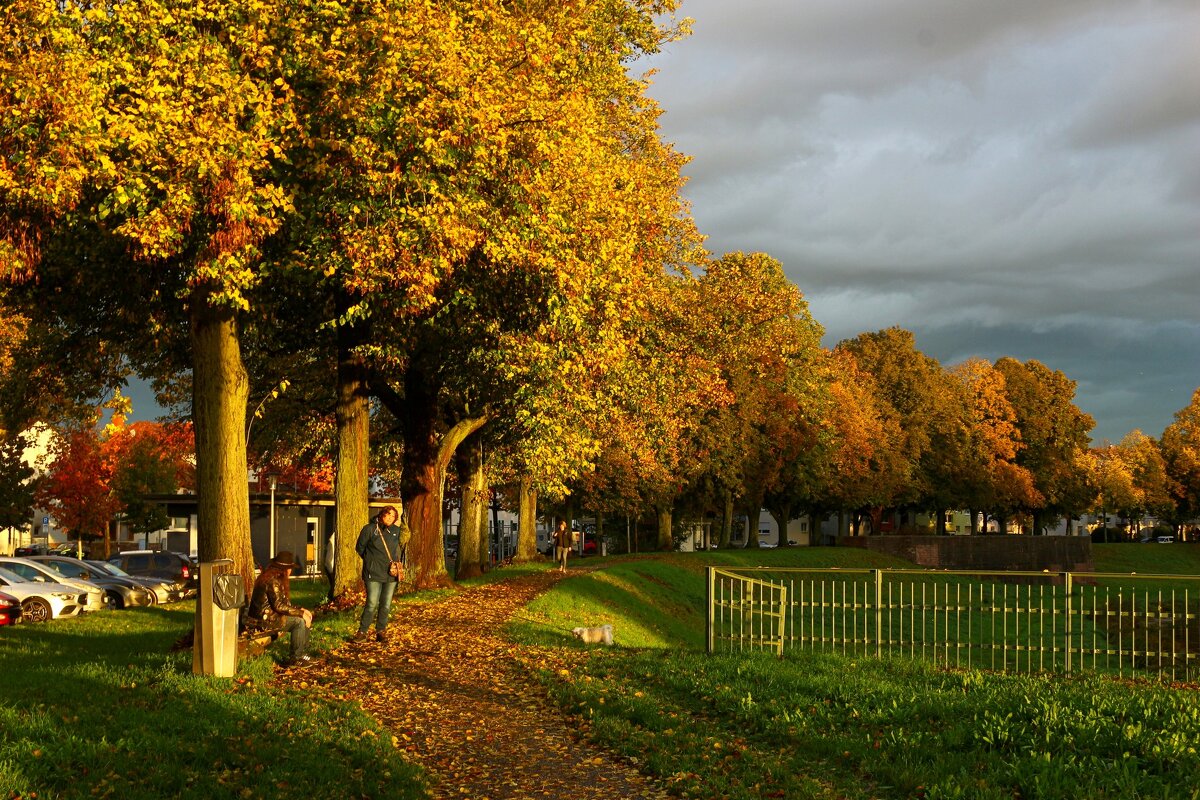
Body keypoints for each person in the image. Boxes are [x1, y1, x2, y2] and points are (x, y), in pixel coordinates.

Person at [353, 505, 410, 643]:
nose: (390, 518)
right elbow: (360, 547)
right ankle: (362, 632)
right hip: (373, 573)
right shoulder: (370, 529)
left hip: (391, 574)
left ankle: (381, 631)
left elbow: (404, 541)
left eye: (393, 516)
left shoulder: (397, 531)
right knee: (372, 603)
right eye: (388, 514)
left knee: (386, 604)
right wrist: (370, 560)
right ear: (382, 515)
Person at [248, 551, 313, 666]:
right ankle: (295, 658)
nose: (291, 571)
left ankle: (303, 653)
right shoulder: (273, 580)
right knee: (299, 622)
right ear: (285, 569)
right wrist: (300, 614)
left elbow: (283, 603)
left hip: (270, 616)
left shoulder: (274, 577)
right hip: (264, 620)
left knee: (303, 616)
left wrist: (301, 610)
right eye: (290, 568)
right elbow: (279, 605)